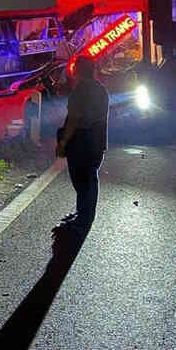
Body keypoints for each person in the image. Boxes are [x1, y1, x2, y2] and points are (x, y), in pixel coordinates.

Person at [56, 56, 109, 235]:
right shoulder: (101, 90)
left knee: (82, 181)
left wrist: (63, 142)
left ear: (77, 70)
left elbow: (74, 119)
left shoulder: (81, 91)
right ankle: (83, 215)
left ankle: (83, 220)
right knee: (89, 180)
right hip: (97, 144)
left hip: (81, 144)